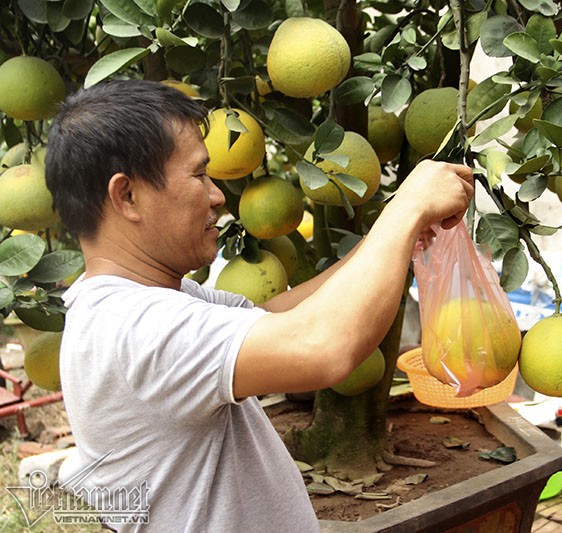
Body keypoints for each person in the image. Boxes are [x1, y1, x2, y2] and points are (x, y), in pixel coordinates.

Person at [44, 79, 474, 531]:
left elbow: (276, 318)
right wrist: (405, 210)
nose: (216, 195)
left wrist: (389, 243)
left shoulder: (142, 304)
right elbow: (323, 347)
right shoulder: (137, 327)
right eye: (198, 174)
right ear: (127, 196)